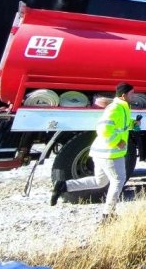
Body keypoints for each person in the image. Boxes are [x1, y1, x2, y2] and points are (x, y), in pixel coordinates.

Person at [50, 82, 137, 217]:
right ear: (124, 95)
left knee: (100, 181)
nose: (134, 96)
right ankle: (108, 214)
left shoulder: (124, 107)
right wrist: (117, 142)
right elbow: (103, 128)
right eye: (132, 93)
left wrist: (133, 123)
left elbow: (121, 125)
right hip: (110, 153)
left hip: (101, 152)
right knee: (118, 180)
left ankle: (63, 186)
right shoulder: (115, 108)